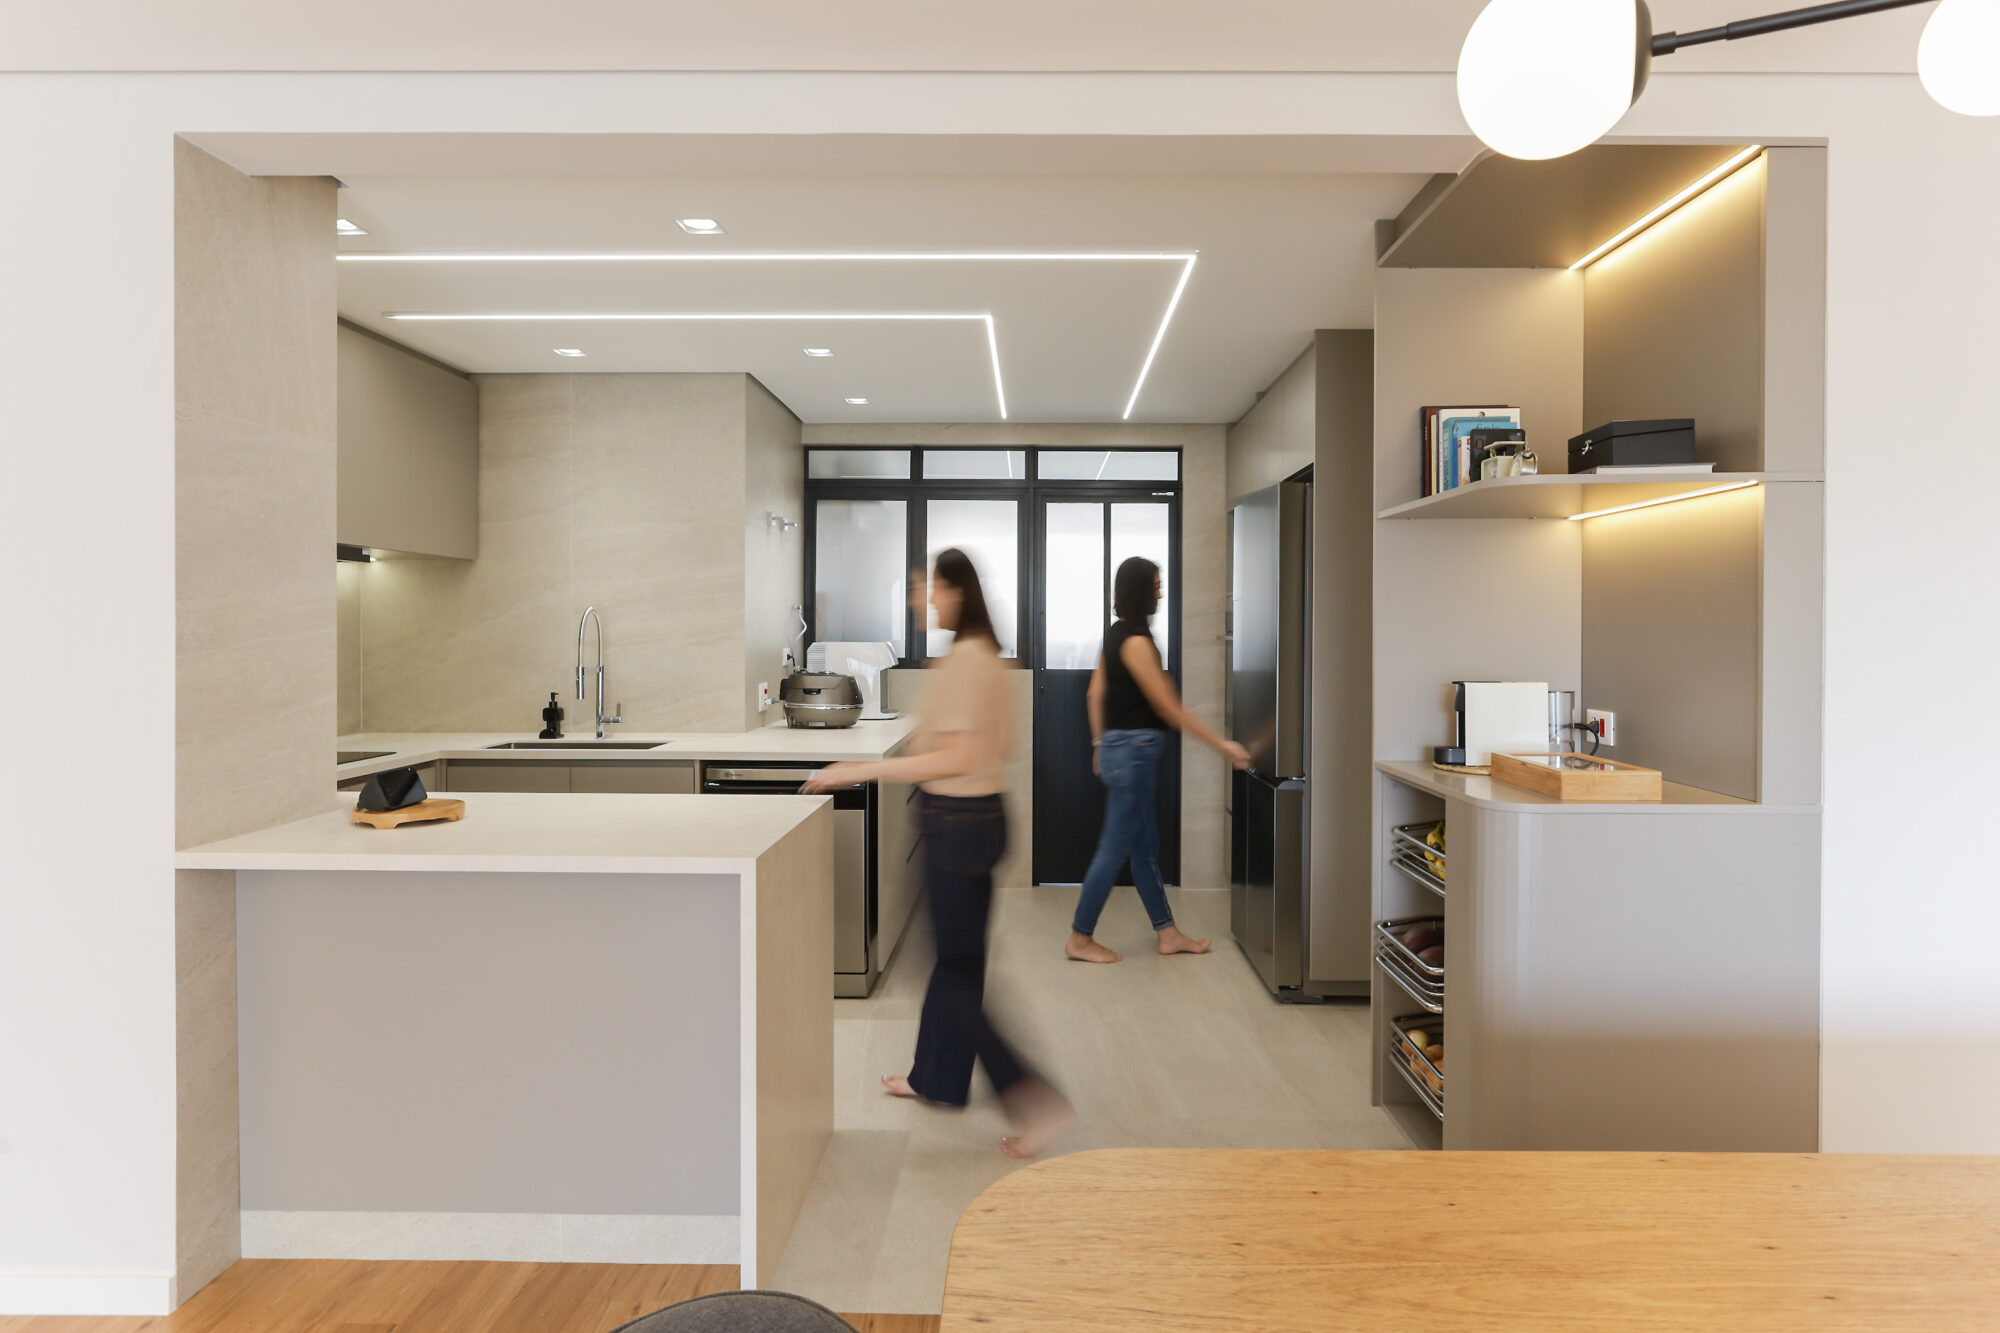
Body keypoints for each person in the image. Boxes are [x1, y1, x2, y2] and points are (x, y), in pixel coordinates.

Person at [804, 549, 1073, 1158]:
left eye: (927, 589)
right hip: (975, 821)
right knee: (958, 966)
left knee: (953, 974)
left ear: (956, 591)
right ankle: (937, 1079)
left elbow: (960, 757)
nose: (918, 600)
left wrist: (860, 770)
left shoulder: (969, 661)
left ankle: (1032, 1099)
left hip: (960, 826)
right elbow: (996, 746)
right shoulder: (982, 655)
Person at [1067, 556, 1252, 965]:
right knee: (1114, 851)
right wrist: (1223, 745)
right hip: (1135, 754)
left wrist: (1100, 744)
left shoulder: (1116, 635)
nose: (1160, 593)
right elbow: (1169, 707)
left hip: (1123, 751)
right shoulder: (1136, 643)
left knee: (1144, 849)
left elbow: (1094, 693)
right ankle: (1080, 937)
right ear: (1139, 592)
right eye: (1155, 586)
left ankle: (1168, 934)